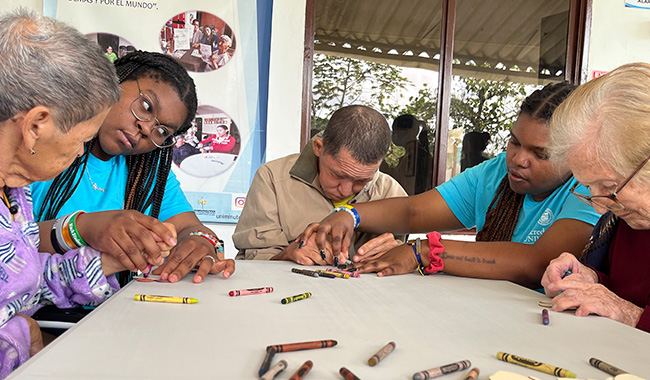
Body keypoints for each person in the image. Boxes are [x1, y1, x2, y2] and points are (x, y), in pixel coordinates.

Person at [303, 83, 601, 288]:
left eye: (540, 154)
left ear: (575, 152)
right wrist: (350, 215)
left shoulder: (589, 187)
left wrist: (424, 251)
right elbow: (414, 212)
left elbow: (538, 263)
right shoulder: (496, 173)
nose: (519, 159)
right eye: (514, 142)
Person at [31, 51, 235, 285]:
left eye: (162, 132)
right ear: (115, 80)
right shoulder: (40, 145)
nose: (147, 129)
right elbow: (10, 245)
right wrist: (82, 230)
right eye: (147, 106)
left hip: (115, 310)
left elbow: (189, 226)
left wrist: (200, 242)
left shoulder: (149, 173)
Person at [0, 10, 126, 377]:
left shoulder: (14, 191)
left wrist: (111, 261)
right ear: (36, 125)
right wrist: (23, 331)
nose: (80, 154)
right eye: (83, 141)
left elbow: (21, 277)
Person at [540, 63, 650, 332]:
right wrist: (591, 279)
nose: (601, 209)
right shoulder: (627, 222)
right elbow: (629, 289)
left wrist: (632, 316)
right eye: (588, 186)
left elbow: (632, 307)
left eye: (609, 186)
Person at [233, 105, 408, 264]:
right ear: (319, 148)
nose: (346, 191)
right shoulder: (272, 179)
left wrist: (399, 253)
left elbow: (409, 255)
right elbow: (254, 260)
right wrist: (288, 254)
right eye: (337, 175)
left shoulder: (391, 193)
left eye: (362, 180)